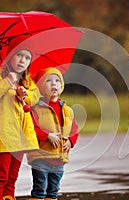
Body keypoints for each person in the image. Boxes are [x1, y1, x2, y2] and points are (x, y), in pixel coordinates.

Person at [0, 35, 40, 200]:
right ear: (10, 56)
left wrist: (25, 94)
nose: (22, 60)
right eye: (19, 55)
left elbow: (35, 98)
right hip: (3, 134)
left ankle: (9, 197)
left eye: (27, 57)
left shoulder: (26, 79)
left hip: (20, 136)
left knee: (13, 176)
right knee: (2, 174)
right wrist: (6, 81)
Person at [27, 68, 79, 200]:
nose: (54, 84)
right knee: (40, 188)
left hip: (59, 157)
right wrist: (47, 135)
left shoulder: (67, 110)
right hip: (40, 156)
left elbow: (74, 129)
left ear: (61, 85)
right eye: (48, 81)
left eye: (57, 81)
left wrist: (71, 141)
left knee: (53, 189)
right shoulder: (36, 108)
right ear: (41, 87)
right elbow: (32, 128)